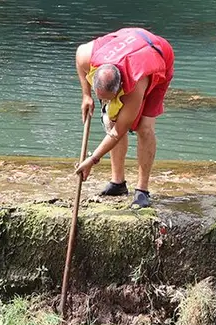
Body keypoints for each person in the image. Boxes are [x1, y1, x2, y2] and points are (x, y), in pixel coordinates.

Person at [73, 27, 176, 209]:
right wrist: (86, 95)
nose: (104, 101)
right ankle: (117, 183)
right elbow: (79, 55)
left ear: (121, 86)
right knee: (111, 116)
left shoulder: (136, 85)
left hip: (157, 55)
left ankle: (142, 190)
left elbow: (117, 132)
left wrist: (92, 160)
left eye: (107, 97)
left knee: (144, 128)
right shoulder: (87, 56)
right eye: (100, 96)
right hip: (128, 39)